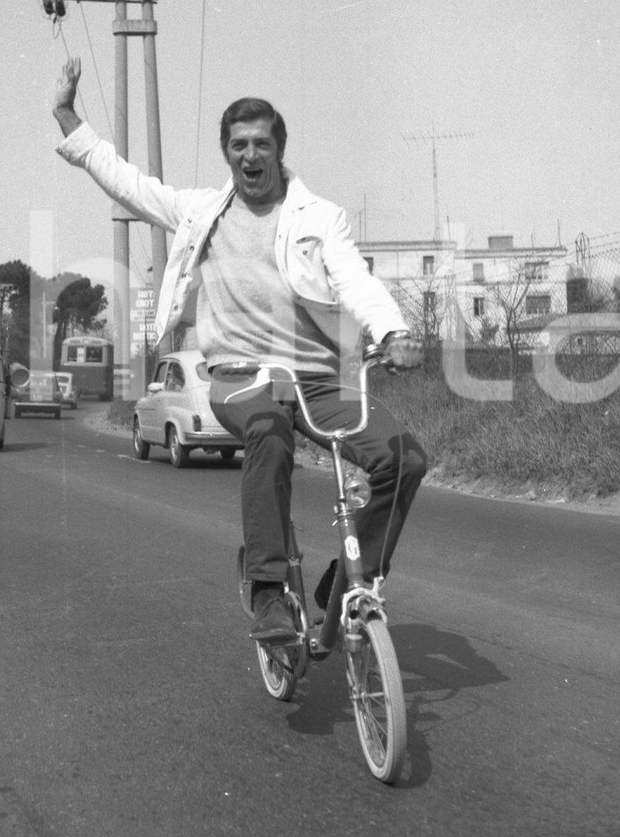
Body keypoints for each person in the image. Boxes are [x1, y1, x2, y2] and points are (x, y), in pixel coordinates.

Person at [51, 57, 427, 643]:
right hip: (240, 376)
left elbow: (354, 279)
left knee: (404, 458)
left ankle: (351, 580)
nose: (250, 156)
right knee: (268, 432)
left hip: (317, 380)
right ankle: (269, 591)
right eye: (238, 145)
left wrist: (392, 332)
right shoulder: (201, 212)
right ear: (227, 153)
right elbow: (128, 182)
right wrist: (69, 119)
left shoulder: (320, 218)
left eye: (261, 144)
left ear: (280, 149)